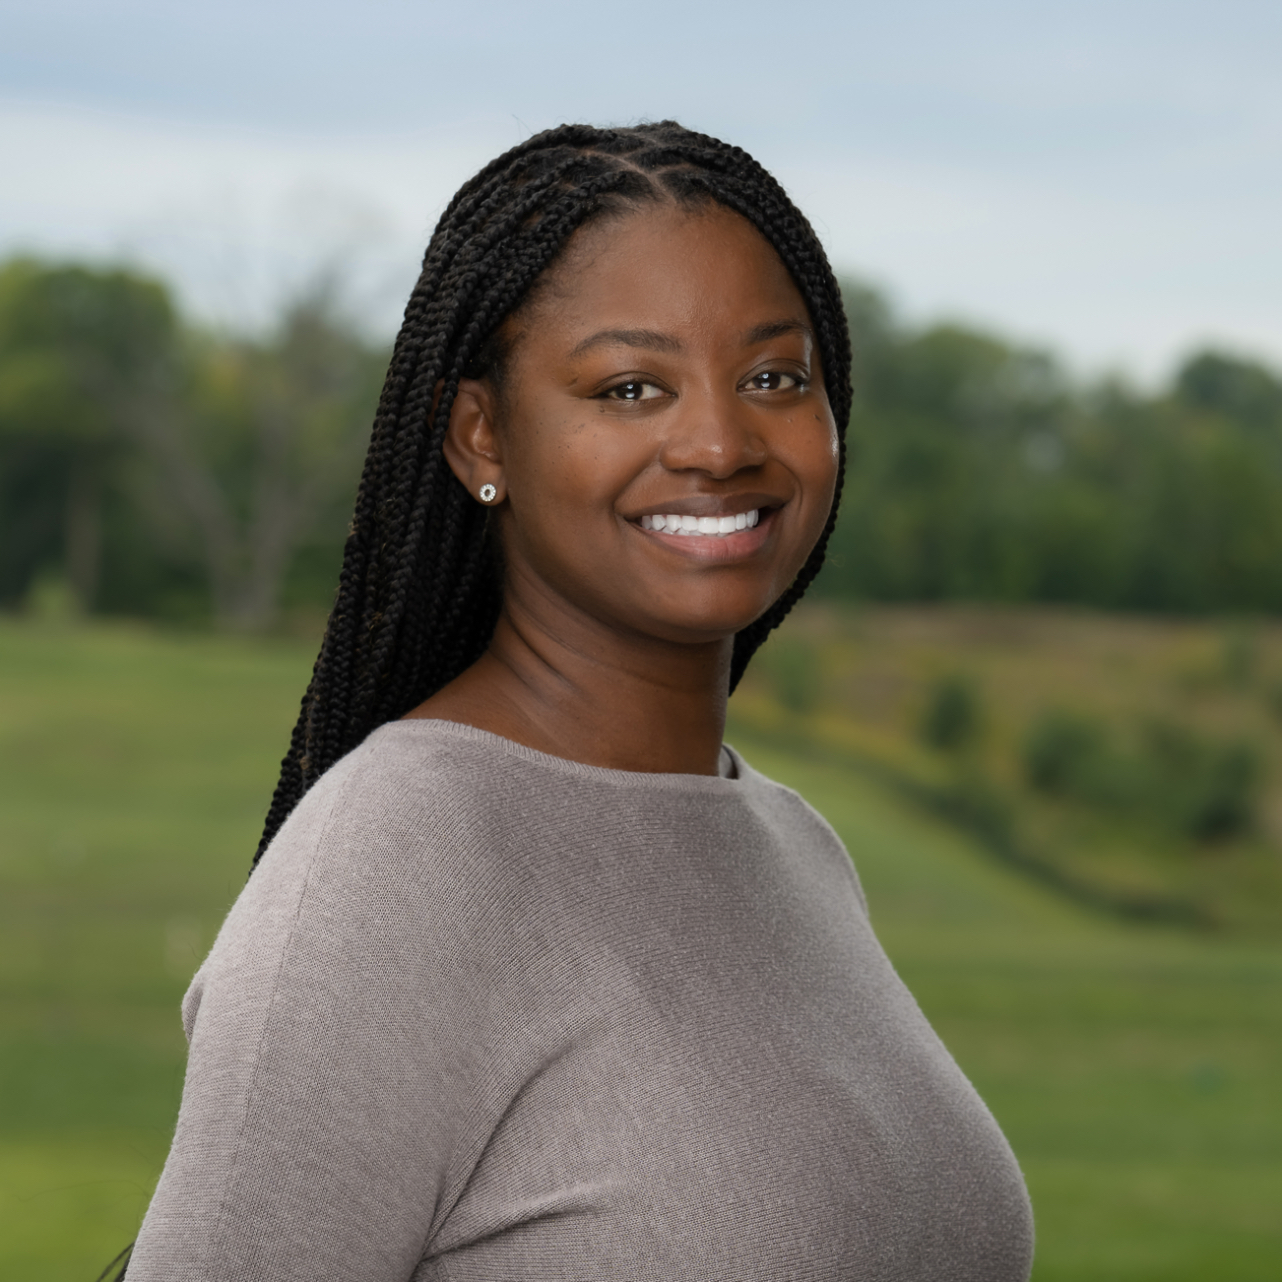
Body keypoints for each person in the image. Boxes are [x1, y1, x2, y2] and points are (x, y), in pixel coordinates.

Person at [122, 121, 1034, 1280]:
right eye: (629, 387)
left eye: (772, 377)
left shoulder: (791, 844)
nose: (719, 442)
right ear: (480, 436)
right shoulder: (394, 858)